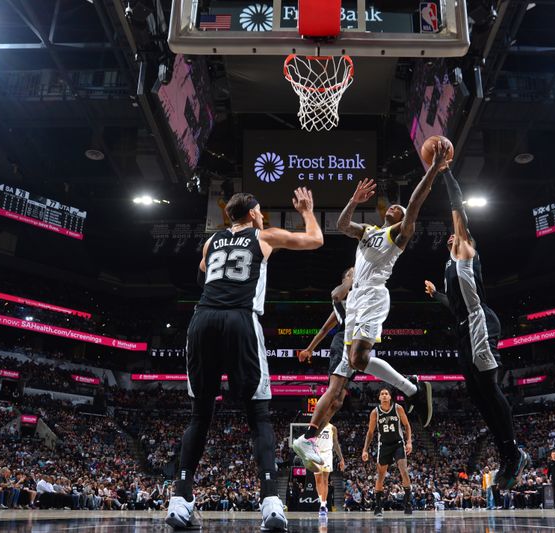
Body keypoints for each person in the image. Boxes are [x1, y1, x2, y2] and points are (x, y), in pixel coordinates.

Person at [165, 188, 324, 531]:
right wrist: (307, 210)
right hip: (240, 319)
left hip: (203, 319)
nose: (263, 215)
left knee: (200, 414)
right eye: (261, 210)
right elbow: (316, 240)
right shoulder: (263, 235)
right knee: (258, 414)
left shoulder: (211, 242)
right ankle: (270, 503)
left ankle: (180, 499)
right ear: (252, 214)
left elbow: (201, 275)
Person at [293, 142, 451, 470]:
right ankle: (309, 437)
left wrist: (433, 169)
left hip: (374, 297)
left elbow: (416, 200)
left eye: (401, 208)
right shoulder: (369, 231)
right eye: (392, 206)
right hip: (355, 302)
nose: (396, 207)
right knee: (339, 385)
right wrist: (353, 200)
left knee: (359, 358)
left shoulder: (400, 235)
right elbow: (341, 226)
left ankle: (414, 389)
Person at [423, 164, 529, 490]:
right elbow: (454, 306)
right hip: (463, 327)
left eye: (458, 231)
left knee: (489, 386)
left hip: (480, 321)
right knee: (477, 395)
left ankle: (512, 452)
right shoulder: (449, 267)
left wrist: (445, 173)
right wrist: (437, 295)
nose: (453, 234)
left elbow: (457, 206)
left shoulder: (465, 252)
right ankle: (506, 453)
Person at [297, 267, 354, 421]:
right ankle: (310, 435)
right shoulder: (342, 296)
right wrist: (309, 349)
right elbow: (324, 329)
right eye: (352, 272)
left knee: (338, 402)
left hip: (356, 348)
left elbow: (323, 330)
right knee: (334, 392)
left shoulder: (360, 295)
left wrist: (309, 350)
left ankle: (316, 436)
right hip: (343, 343)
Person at [361, 388, 414, 516]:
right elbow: (370, 432)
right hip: (383, 445)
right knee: (381, 476)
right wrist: (365, 450)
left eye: (386, 394)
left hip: (398, 444)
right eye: (382, 394)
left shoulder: (398, 408)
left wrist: (409, 441)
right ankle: (378, 506)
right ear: (379, 398)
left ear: (390, 397)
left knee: (404, 471)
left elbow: (406, 425)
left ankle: (407, 504)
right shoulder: (375, 412)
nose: (384, 396)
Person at [314, 422, 345, 518]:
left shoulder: (332, 428)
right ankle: (322, 502)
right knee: (318, 480)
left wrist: (341, 458)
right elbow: (308, 441)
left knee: (325, 480)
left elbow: (336, 443)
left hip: (327, 454)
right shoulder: (315, 425)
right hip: (316, 453)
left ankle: (323, 505)